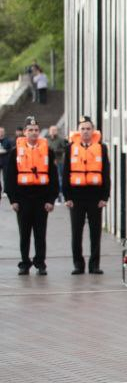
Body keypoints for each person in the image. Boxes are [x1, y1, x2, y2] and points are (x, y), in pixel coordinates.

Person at [3, 117, 57, 276]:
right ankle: (24, 263)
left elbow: (53, 177)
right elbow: (10, 177)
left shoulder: (48, 151)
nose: (33, 133)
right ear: (25, 132)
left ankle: (40, 263)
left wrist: (51, 200)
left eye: (36, 130)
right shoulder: (15, 152)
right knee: (24, 234)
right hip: (23, 200)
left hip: (41, 200)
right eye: (30, 130)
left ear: (39, 132)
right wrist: (13, 200)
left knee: (40, 234)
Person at [63, 116, 111, 275]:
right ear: (78, 131)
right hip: (76, 197)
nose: (85, 131)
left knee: (95, 232)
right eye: (82, 129)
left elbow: (106, 173)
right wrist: (67, 197)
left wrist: (105, 197)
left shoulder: (101, 148)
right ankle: (78, 264)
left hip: (95, 197)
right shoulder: (70, 148)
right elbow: (65, 173)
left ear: (93, 131)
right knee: (76, 232)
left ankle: (94, 265)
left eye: (88, 128)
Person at [45, 124, 69, 203]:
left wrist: (55, 151)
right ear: (49, 131)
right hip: (48, 162)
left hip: (59, 161)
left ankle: (60, 195)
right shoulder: (46, 139)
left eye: (55, 130)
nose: (53, 132)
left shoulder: (60, 139)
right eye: (52, 130)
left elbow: (65, 149)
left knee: (59, 178)